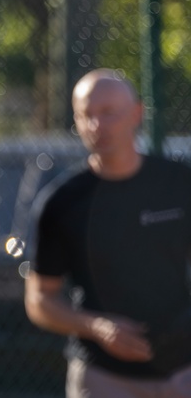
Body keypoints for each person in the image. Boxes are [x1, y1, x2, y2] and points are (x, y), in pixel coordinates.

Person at [24, 68, 191, 397]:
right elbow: (39, 299)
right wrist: (97, 327)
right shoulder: (62, 202)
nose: (97, 125)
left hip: (183, 371)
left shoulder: (179, 184)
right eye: (86, 115)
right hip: (102, 377)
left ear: (136, 114)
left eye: (109, 113)